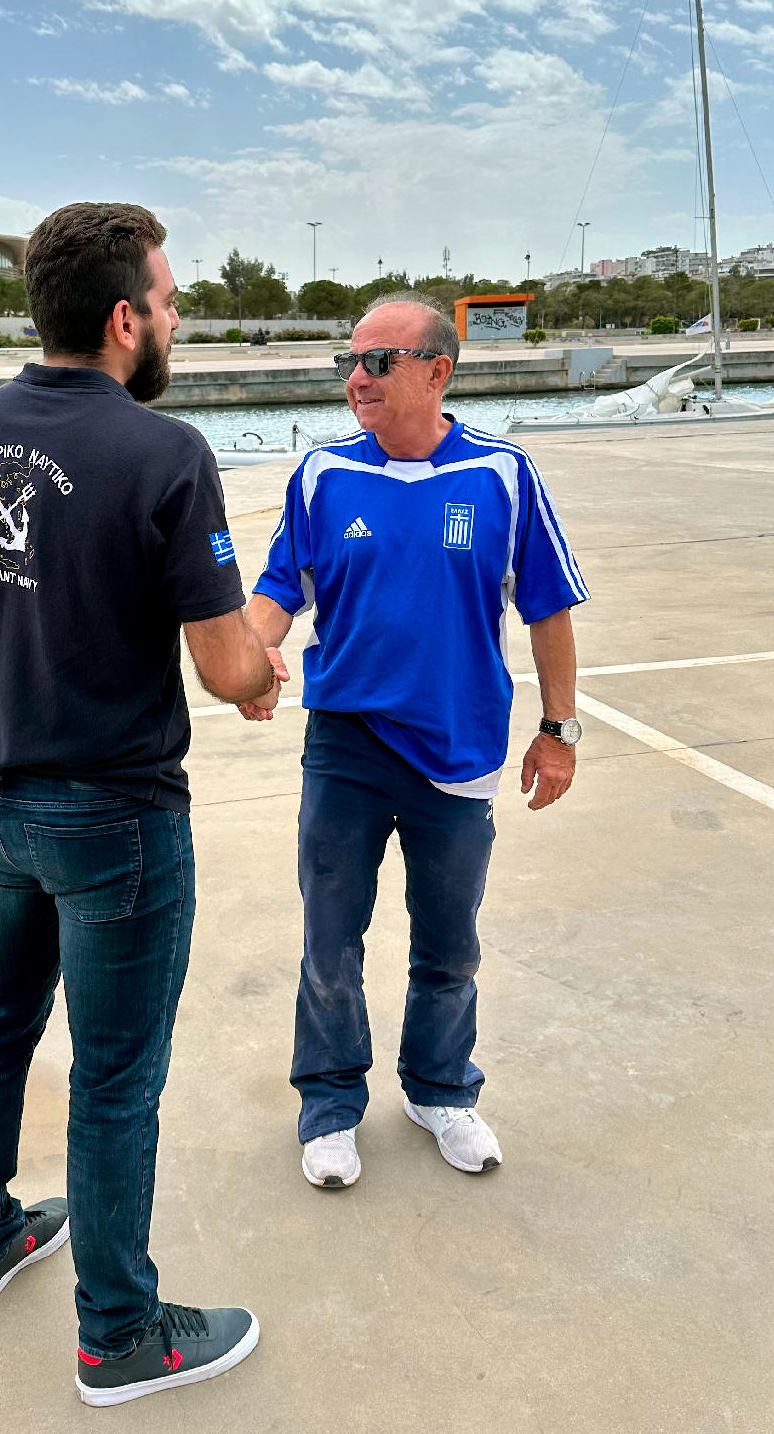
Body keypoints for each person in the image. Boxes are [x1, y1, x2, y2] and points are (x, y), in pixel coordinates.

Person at [0, 202, 282, 1405]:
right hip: (114, 817)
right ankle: (119, 1333)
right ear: (124, 320)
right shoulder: (166, 454)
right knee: (114, 1076)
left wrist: (32, 590)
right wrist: (263, 672)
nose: (176, 320)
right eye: (168, 303)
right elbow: (228, 667)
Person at [241, 293, 588, 1190]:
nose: (356, 378)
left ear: (437, 371)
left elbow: (548, 608)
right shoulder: (322, 474)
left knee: (450, 945)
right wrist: (254, 655)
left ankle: (441, 1091)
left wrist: (558, 730)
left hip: (460, 747)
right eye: (349, 362)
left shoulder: (503, 473)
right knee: (330, 938)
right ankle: (329, 1105)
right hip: (347, 743)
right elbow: (279, 588)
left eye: (378, 362)